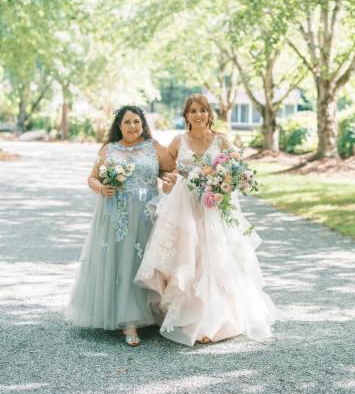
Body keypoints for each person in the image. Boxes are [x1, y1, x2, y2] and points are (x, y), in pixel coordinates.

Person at [135, 94, 277, 346]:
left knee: (214, 261)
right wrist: (169, 180)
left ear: (209, 114)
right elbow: (168, 169)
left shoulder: (221, 141)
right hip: (185, 207)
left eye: (202, 110)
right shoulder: (178, 141)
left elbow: (237, 169)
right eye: (193, 111)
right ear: (186, 116)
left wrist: (228, 182)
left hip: (213, 208)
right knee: (188, 259)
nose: (198, 115)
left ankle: (213, 321)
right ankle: (188, 318)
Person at [65, 105, 174, 346]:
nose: (133, 126)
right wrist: (101, 188)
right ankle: (129, 322)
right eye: (127, 122)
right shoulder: (109, 149)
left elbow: (171, 171)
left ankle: (154, 312)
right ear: (119, 126)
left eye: (137, 121)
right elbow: (92, 178)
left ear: (142, 123)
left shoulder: (154, 147)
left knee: (146, 262)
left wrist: (169, 182)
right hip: (117, 217)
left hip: (147, 215)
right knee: (123, 263)